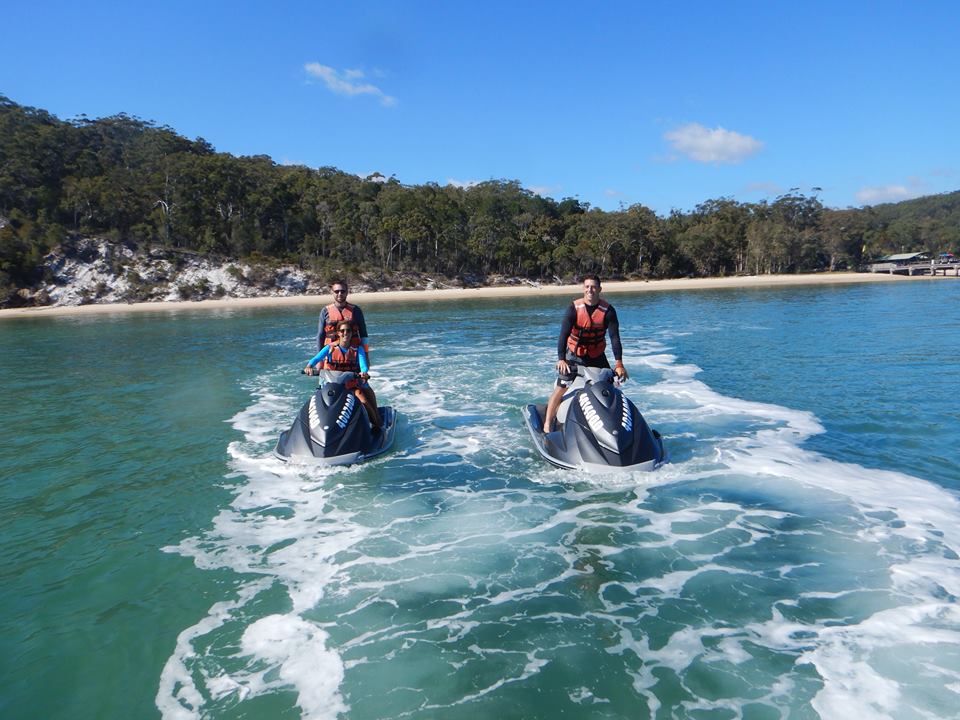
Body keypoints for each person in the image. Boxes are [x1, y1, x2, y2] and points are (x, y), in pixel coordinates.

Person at [542, 274, 628, 433]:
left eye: (594, 287)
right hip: (574, 355)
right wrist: (561, 359)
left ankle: (617, 425)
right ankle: (547, 424)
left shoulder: (608, 311)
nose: (590, 290)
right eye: (587, 287)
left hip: (597, 356)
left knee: (613, 386)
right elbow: (563, 336)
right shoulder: (573, 309)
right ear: (583, 289)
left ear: (600, 289)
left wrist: (619, 363)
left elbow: (615, 338)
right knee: (562, 387)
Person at [305, 321, 382, 430]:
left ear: (351, 333)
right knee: (317, 402)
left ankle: (376, 424)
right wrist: (309, 366)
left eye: (348, 331)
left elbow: (363, 364)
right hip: (331, 386)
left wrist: (363, 372)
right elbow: (316, 359)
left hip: (350, 386)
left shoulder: (358, 349)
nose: (345, 333)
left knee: (363, 399)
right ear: (338, 333)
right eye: (342, 331)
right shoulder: (330, 348)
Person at [317, 279, 370, 357]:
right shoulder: (325, 311)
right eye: (336, 291)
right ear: (332, 292)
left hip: (353, 355)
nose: (340, 294)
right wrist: (319, 359)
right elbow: (320, 336)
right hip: (330, 354)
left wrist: (366, 355)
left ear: (347, 292)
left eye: (343, 291)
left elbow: (363, 335)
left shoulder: (356, 310)